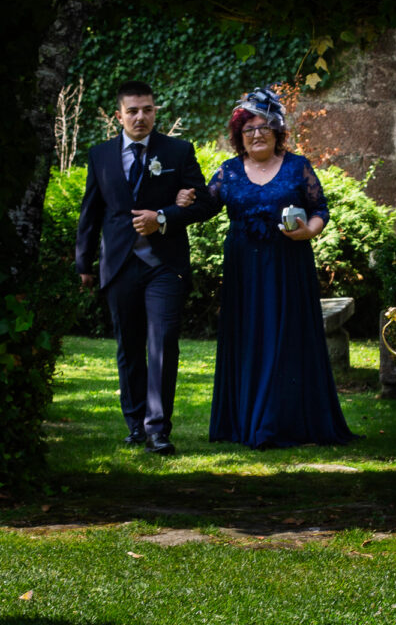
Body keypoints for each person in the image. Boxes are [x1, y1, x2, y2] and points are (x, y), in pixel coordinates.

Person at [197, 89, 355, 448]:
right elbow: (202, 207)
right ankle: (246, 421)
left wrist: (307, 233)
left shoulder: (297, 166)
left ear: (278, 131)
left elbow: (321, 209)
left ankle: (281, 423)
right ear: (238, 135)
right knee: (250, 338)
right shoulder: (229, 171)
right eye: (248, 128)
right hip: (244, 272)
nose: (256, 133)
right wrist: (176, 202)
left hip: (288, 267)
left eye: (264, 126)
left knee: (285, 339)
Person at [76, 80, 217, 456]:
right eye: (133, 111)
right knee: (129, 346)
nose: (141, 117)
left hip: (164, 265)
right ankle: (134, 424)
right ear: (119, 116)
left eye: (148, 110)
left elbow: (204, 203)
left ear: (156, 111)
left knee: (164, 342)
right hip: (119, 264)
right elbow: (91, 211)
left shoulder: (178, 150)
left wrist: (166, 216)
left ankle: (158, 429)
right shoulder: (101, 155)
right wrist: (83, 263)